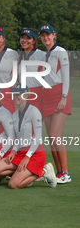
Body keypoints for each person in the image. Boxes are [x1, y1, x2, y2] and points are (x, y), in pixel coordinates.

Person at [0, 83, 57, 189]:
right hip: (20, 153)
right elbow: (17, 139)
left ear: (26, 95)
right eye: (14, 95)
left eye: (18, 94)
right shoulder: (15, 115)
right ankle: (24, 175)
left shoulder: (34, 111)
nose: (15, 97)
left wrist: (27, 157)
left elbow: (37, 137)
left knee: (13, 185)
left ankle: (44, 171)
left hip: (35, 154)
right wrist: (13, 151)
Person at [39, 25, 72, 183]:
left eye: (48, 35)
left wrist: (64, 97)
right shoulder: (45, 55)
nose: (46, 38)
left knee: (55, 135)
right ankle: (59, 173)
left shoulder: (61, 51)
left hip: (59, 94)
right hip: (47, 95)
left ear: (54, 35)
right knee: (50, 137)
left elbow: (66, 76)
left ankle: (65, 173)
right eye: (43, 35)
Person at [17, 28, 45, 113]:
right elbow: (19, 78)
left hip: (37, 95)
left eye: (28, 38)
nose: (25, 40)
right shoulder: (19, 57)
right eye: (23, 37)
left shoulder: (41, 55)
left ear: (33, 41)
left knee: (35, 124)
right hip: (23, 96)